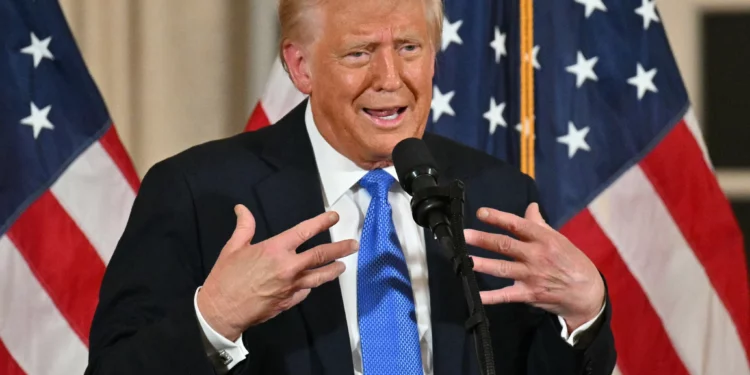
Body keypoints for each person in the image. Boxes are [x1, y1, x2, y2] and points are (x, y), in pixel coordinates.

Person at [86, 0, 616, 374]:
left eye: (409, 47)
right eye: (360, 52)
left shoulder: (496, 193)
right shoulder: (198, 194)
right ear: (300, 66)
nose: (390, 78)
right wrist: (214, 321)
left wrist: (584, 314)